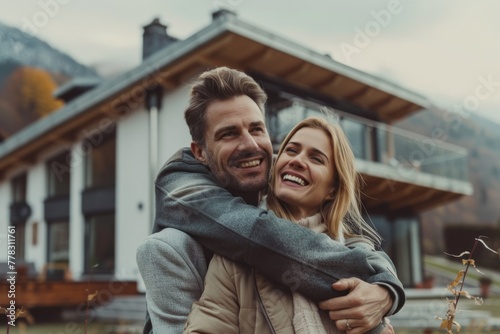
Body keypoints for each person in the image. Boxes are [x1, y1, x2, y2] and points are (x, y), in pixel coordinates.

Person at [136, 67, 404, 334]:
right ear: (200, 152)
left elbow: (346, 232)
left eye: (257, 129)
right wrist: (373, 281)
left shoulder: (282, 174)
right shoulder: (181, 182)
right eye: (229, 133)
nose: (250, 144)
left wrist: (386, 289)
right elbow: (261, 235)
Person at [183, 116, 393, 333]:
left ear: (333, 188)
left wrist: (385, 300)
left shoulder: (355, 256)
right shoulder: (235, 256)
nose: (297, 160)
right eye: (291, 150)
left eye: (316, 159)